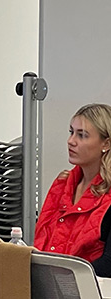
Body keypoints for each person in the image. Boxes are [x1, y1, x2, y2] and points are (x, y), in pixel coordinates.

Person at [35, 103, 111, 277]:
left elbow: (108, 264)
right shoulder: (62, 183)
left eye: (82, 135)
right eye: (71, 132)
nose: (71, 141)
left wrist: (62, 278)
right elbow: (42, 241)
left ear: (105, 144)